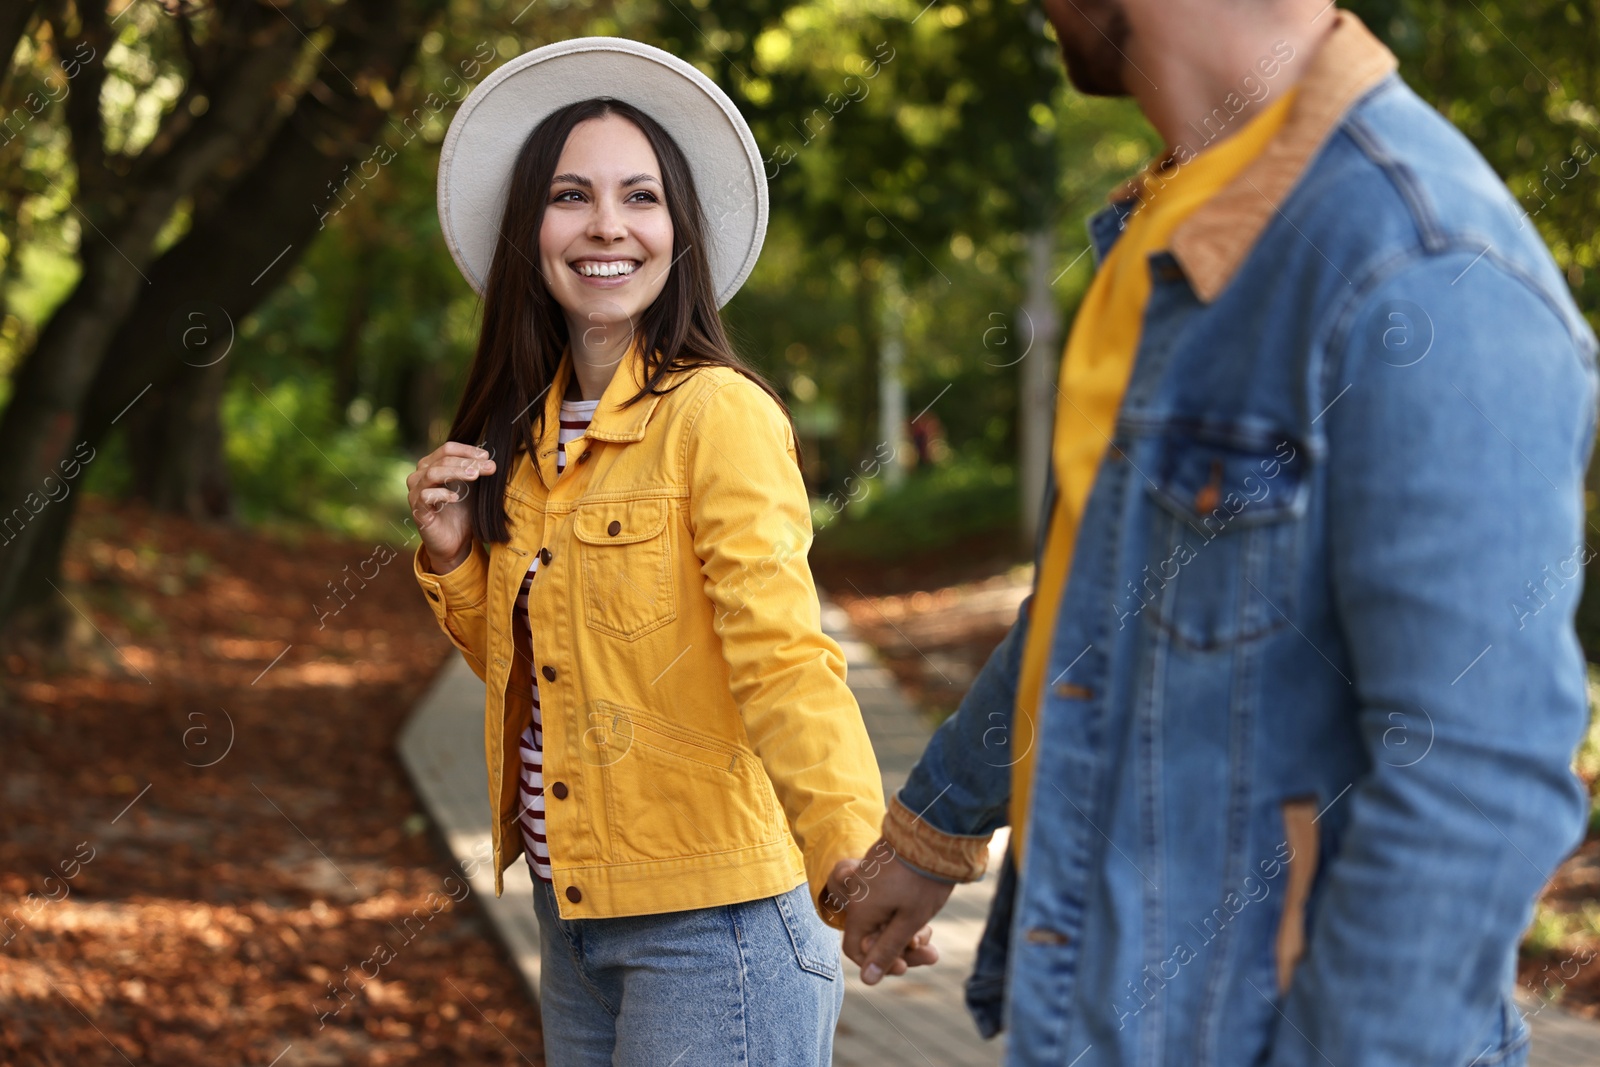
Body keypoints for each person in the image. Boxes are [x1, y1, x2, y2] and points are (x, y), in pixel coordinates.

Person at [826, 2, 1599, 1065]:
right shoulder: (1167, 227)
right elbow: (1089, 608)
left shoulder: (1419, 259)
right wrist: (935, 828)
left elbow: (1474, 779)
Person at [405, 38, 930, 1066]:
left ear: (677, 231)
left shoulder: (716, 416)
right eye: (571, 196)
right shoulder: (522, 440)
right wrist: (457, 560)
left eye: (640, 196)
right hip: (576, 915)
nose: (607, 224)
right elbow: (543, 674)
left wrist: (854, 854)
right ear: (532, 231)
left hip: (717, 927)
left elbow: (783, 655)